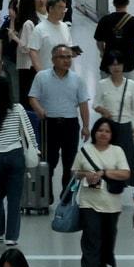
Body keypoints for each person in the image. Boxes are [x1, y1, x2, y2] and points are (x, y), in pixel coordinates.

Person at [74, 118, 132, 267]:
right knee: (91, 236)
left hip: (111, 203)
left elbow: (125, 173)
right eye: (100, 130)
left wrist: (104, 173)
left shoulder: (117, 151)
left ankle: (104, 264)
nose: (103, 134)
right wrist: (86, 174)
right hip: (89, 202)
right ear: (94, 132)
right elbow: (74, 172)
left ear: (111, 134)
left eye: (107, 131)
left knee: (108, 236)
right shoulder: (85, 150)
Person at [0, 77, 37, 246]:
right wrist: (35, 149)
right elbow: (29, 132)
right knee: (14, 198)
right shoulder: (18, 109)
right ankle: (11, 237)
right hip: (16, 155)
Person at [30, 43, 91, 194]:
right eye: (62, 57)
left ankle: (67, 195)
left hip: (70, 124)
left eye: (69, 57)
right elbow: (33, 97)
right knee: (48, 162)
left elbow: (83, 104)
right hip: (49, 124)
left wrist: (86, 126)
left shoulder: (78, 80)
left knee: (70, 162)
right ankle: (46, 194)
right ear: (53, 59)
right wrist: (39, 109)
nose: (67, 60)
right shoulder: (42, 77)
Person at [93, 51, 134, 176]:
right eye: (113, 64)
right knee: (106, 159)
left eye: (118, 64)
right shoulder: (102, 84)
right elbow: (95, 104)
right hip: (108, 127)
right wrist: (103, 110)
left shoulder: (131, 85)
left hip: (125, 127)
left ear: (123, 66)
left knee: (125, 161)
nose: (116, 67)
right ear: (108, 67)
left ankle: (123, 186)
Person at [95, 0, 134, 74]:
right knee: (127, 86)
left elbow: (99, 41)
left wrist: (102, 52)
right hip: (127, 64)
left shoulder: (104, 20)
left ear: (113, 3)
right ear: (128, 2)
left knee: (106, 86)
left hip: (108, 62)